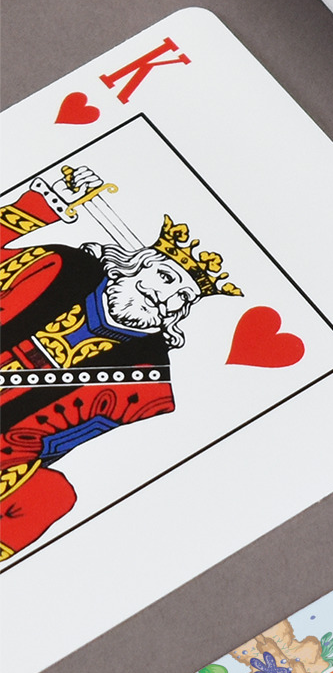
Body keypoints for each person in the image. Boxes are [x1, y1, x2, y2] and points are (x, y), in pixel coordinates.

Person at [0, 167, 240, 559]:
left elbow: (43, 444)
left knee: (53, 495)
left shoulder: (145, 386)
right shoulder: (59, 268)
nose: (167, 299)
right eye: (166, 278)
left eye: (183, 298)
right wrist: (40, 206)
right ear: (135, 265)